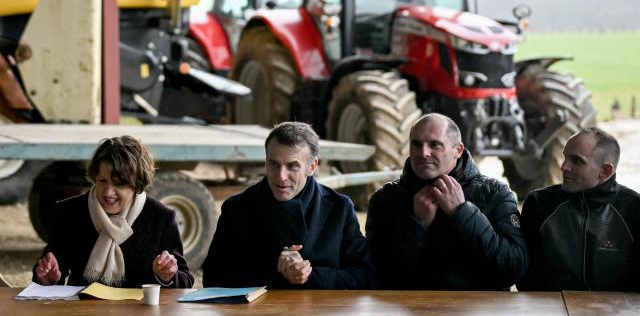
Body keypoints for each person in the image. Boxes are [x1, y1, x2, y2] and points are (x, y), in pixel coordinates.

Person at [202, 121, 375, 289]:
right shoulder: (237, 208)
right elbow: (213, 277)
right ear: (266, 161)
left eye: (292, 166)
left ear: (311, 167)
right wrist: (277, 270)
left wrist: (308, 275)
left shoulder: (339, 208)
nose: (281, 176)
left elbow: (366, 275)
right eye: (274, 164)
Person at [366, 113, 528, 290]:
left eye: (434, 145)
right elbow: (376, 274)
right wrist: (417, 225)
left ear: (458, 150)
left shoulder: (495, 193)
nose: (423, 153)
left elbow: (514, 268)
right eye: (416, 144)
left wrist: (462, 212)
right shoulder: (384, 200)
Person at [33, 136, 193, 288]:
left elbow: (185, 280)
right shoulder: (69, 212)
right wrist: (48, 278)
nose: (108, 192)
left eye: (119, 184)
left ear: (137, 184)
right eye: (102, 181)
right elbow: (52, 270)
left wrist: (167, 276)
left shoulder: (161, 218)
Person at [518, 127, 640, 292]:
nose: (564, 167)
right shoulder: (540, 204)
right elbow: (526, 278)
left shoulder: (633, 209)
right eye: (565, 157)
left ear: (605, 171)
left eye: (576, 161)